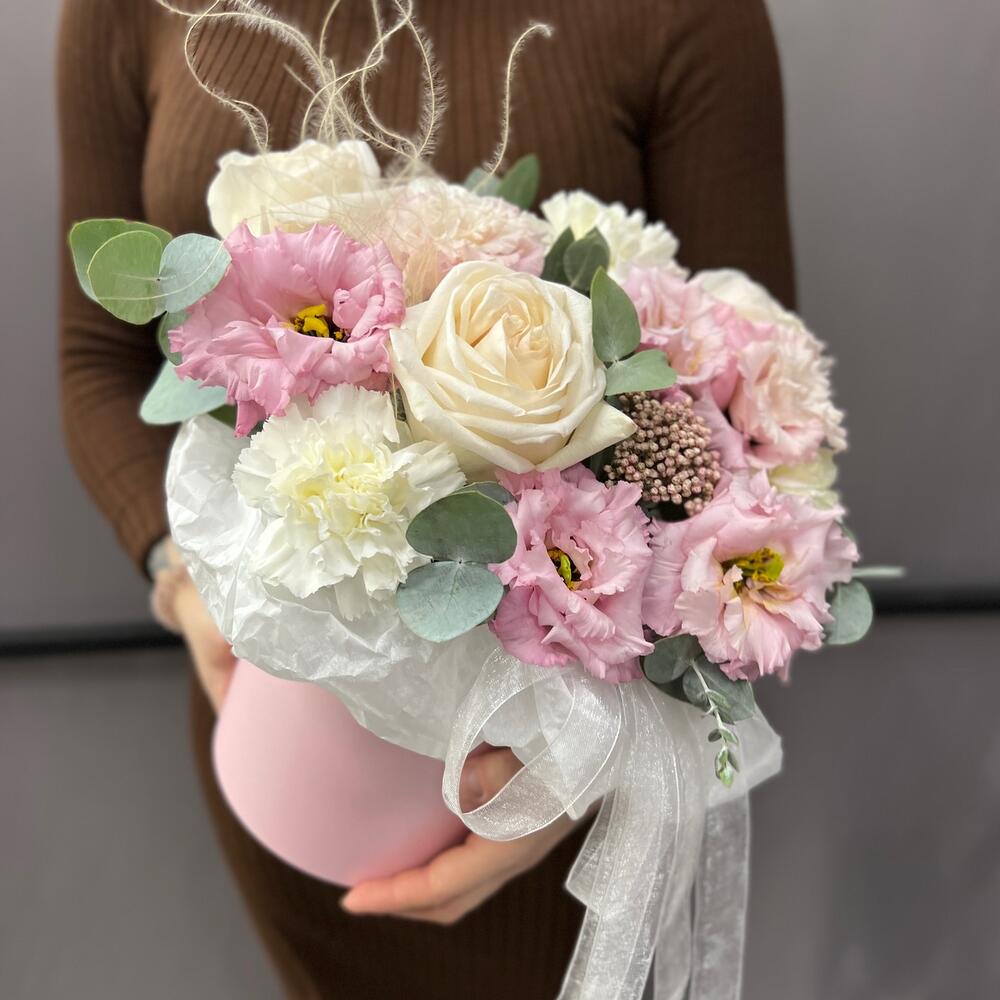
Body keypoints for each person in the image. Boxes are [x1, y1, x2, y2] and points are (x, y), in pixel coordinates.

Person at [58, 0, 794, 996]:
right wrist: (183, 580)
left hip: (554, 773)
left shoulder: (686, 16)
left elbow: (751, 409)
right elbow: (97, 361)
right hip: (285, 736)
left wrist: (576, 773)